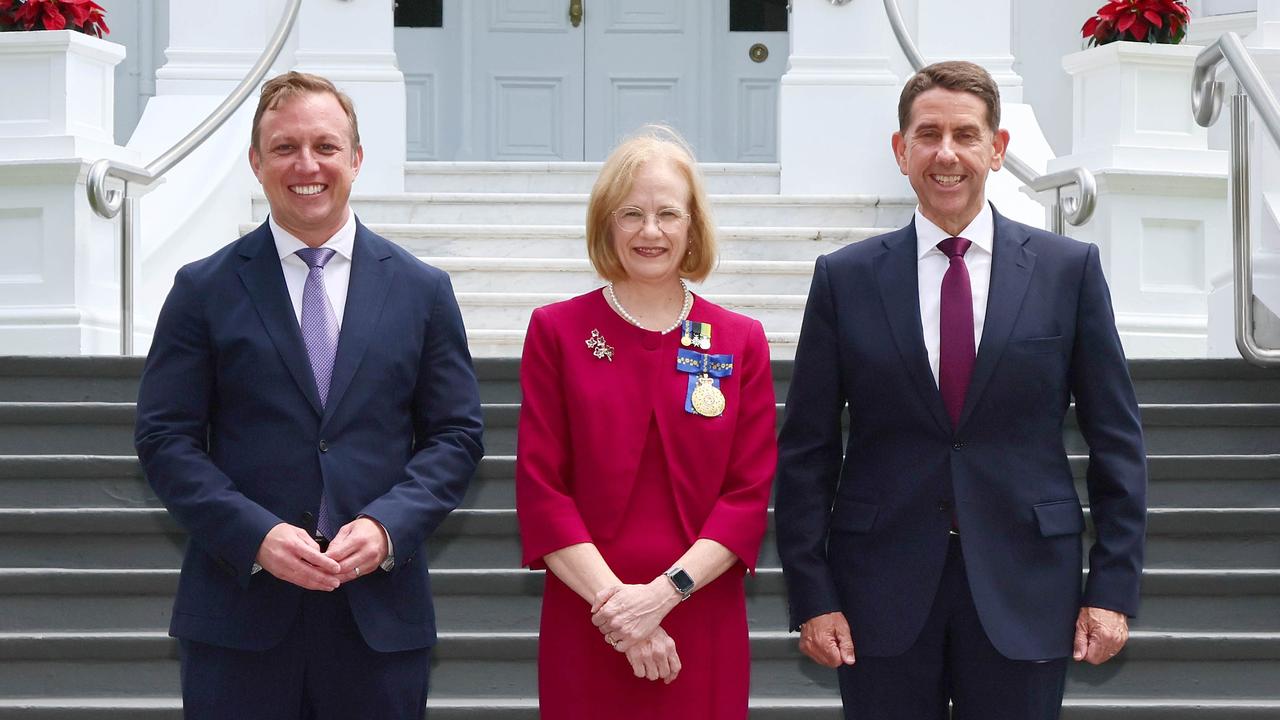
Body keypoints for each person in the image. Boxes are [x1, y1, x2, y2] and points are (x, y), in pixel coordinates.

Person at [774, 61, 1148, 719]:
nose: (946, 154)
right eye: (928, 134)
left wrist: (1111, 589)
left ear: (997, 149)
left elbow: (1116, 442)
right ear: (901, 150)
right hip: (877, 591)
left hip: (1026, 583)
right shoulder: (845, 279)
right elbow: (806, 452)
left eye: (966, 135)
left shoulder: (1068, 272)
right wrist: (813, 593)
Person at [134, 71, 484, 719]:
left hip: (378, 622)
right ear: (256, 162)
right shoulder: (202, 289)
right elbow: (164, 438)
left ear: (355, 158)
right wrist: (255, 535)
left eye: (325, 146)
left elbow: (456, 436)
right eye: (285, 147)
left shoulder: (422, 291)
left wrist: (386, 527)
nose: (307, 165)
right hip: (239, 621)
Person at [515, 127, 777, 719]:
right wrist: (623, 613)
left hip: (698, 613)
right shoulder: (557, 333)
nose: (650, 230)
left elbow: (747, 495)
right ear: (607, 224)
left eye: (667, 213)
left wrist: (662, 597)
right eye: (631, 213)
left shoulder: (740, 341)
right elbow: (542, 490)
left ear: (692, 228)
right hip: (588, 613)